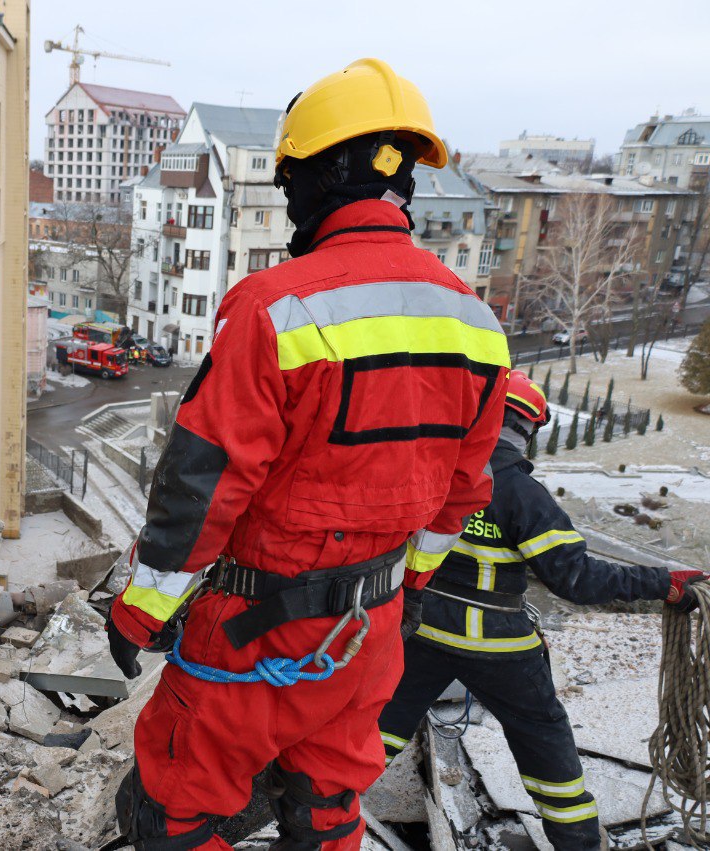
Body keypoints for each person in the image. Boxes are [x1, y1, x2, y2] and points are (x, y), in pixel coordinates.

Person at [104, 58, 511, 851]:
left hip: (254, 633)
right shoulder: (476, 325)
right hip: (370, 635)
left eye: (290, 178)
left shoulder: (274, 307)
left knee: (172, 813)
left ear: (328, 175)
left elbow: (202, 484)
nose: (287, 197)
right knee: (327, 808)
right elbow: (461, 492)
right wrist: (409, 588)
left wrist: (140, 610)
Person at [379, 370, 707, 850]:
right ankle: (576, 842)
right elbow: (577, 578)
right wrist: (663, 583)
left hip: (420, 634)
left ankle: (317, 811)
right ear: (528, 430)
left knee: (380, 729)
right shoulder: (523, 496)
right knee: (545, 746)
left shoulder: (429, 469)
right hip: (500, 649)